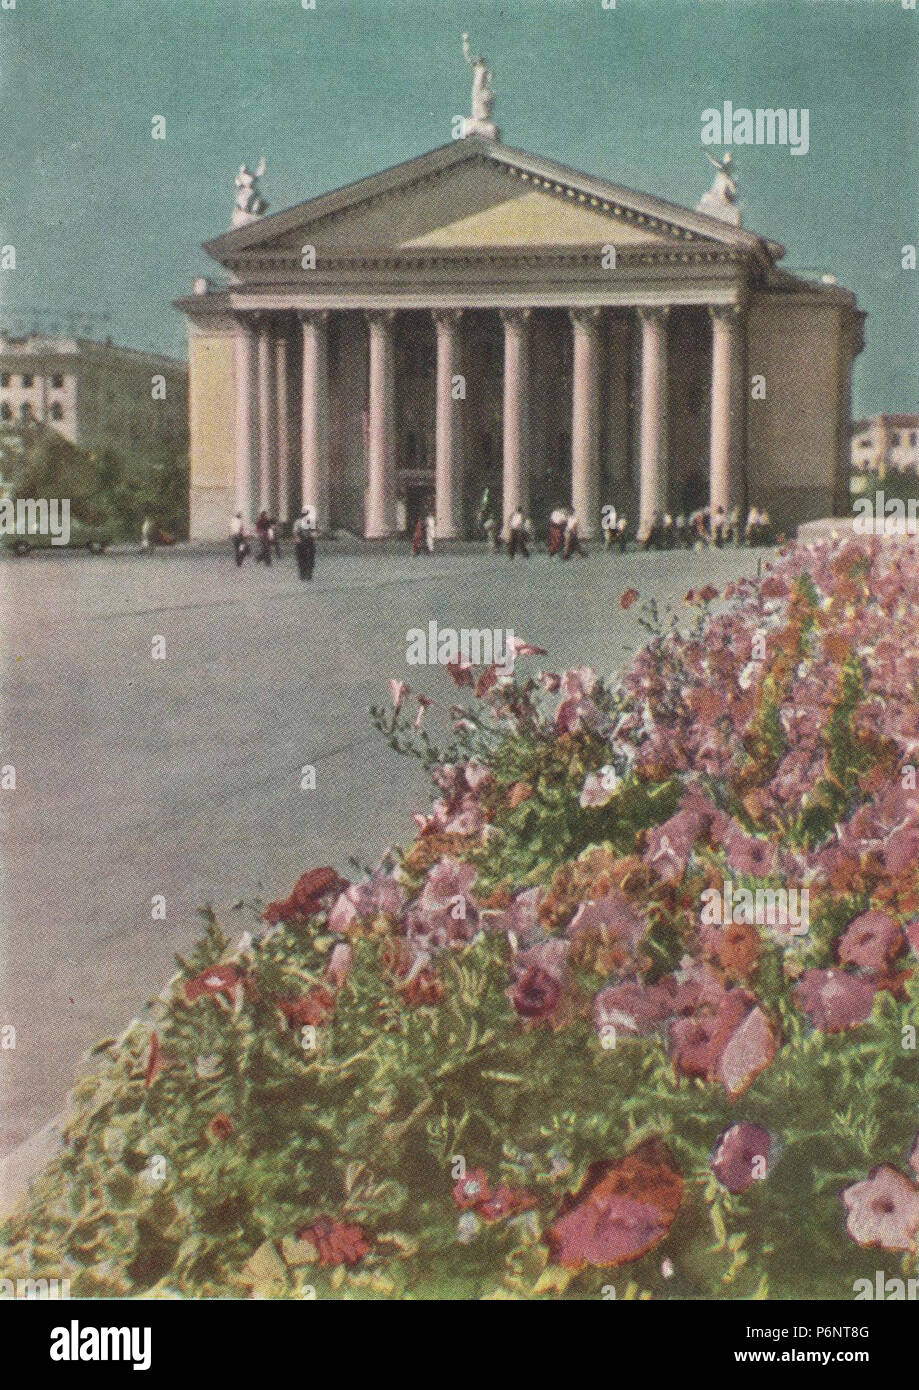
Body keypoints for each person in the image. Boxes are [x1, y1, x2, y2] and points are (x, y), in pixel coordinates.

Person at [292, 508, 316, 581]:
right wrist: (297, 538)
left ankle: (308, 574)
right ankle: (303, 574)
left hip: (309, 541)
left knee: (310, 559)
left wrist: (313, 539)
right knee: (302, 558)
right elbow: (295, 532)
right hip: (302, 541)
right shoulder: (298, 522)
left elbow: (313, 531)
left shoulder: (310, 522)